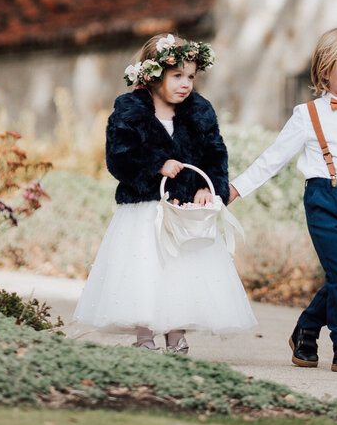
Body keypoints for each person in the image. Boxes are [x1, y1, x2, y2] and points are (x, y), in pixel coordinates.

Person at [228, 26, 337, 375]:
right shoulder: (307, 115)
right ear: (326, 72)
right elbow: (272, 158)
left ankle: (306, 329)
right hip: (324, 198)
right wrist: (236, 188)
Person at [73, 34, 256, 352]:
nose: (186, 83)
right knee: (145, 268)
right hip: (144, 207)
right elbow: (118, 158)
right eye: (177, 76)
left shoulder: (200, 111)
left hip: (185, 208)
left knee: (183, 269)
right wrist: (157, 164)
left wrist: (208, 188)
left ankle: (176, 333)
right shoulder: (129, 110)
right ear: (153, 75)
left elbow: (215, 154)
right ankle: (145, 335)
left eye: (191, 76)